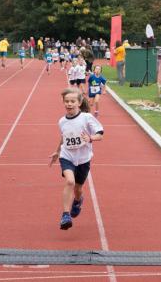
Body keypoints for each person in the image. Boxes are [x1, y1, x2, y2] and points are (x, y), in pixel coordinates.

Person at [49, 88, 103, 230]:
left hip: (83, 159)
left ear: (79, 103)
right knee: (70, 181)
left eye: (72, 101)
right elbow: (64, 137)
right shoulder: (61, 121)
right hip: (67, 156)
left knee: (78, 189)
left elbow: (100, 134)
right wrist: (57, 151)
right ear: (63, 103)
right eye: (66, 101)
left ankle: (78, 201)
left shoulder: (87, 118)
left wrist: (91, 138)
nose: (69, 104)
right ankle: (66, 215)